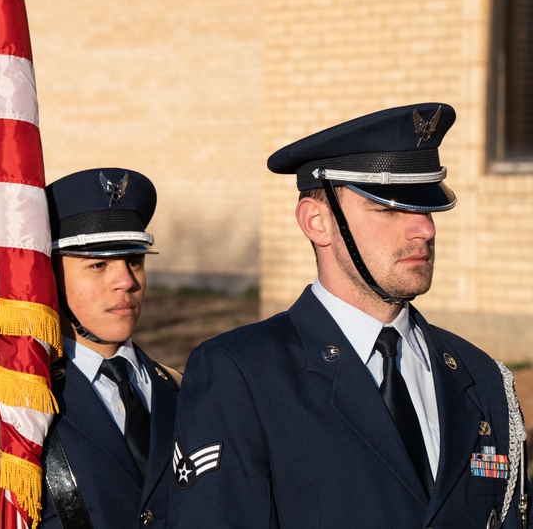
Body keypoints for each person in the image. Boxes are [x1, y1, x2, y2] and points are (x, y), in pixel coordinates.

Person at [168, 102, 531, 528]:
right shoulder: (242, 374)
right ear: (317, 221)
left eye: (426, 207)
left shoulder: (481, 377)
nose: (425, 229)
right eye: (389, 208)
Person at [0, 167, 181, 528]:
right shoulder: (0, 409)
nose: (126, 281)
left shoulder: (181, 390)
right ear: (45, 279)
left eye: (134, 261)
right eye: (98, 265)